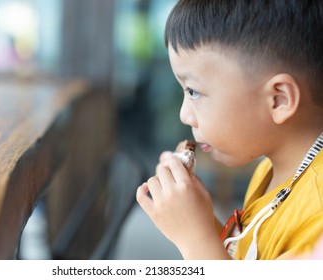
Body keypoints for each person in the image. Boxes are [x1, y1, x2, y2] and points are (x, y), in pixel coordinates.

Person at [136, 0, 323, 260]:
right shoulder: (271, 170)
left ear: (278, 99)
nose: (184, 114)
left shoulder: (316, 212)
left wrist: (195, 237)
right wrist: (195, 216)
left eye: (194, 92)